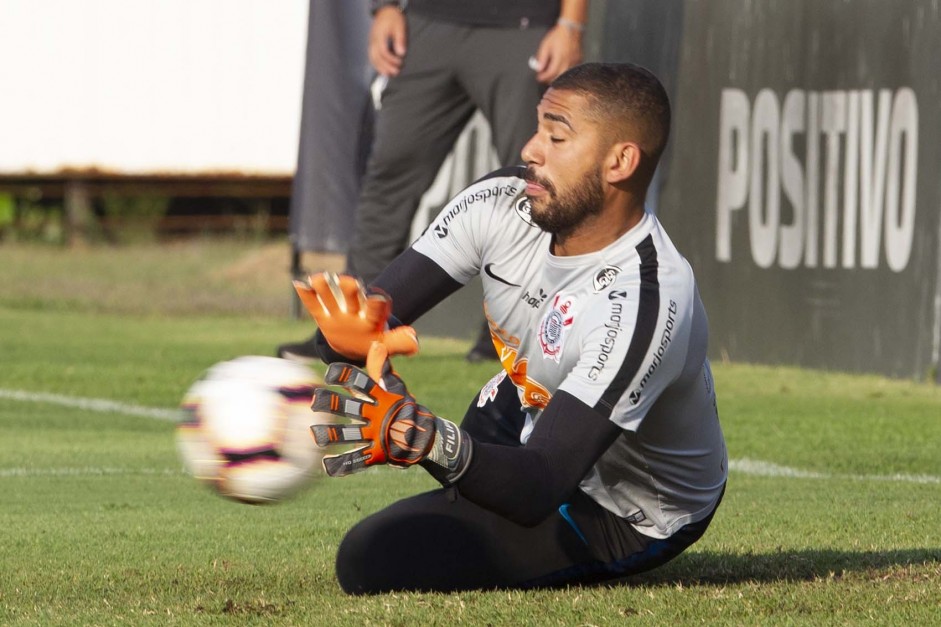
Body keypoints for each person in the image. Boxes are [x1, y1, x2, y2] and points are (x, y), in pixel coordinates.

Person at [294, 63, 728, 593]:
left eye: (556, 135)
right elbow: (371, 319)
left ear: (620, 162)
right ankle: (467, 504)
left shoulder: (645, 299)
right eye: (537, 127)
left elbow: (540, 483)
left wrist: (428, 439)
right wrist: (349, 335)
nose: (530, 149)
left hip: (624, 510)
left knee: (369, 560)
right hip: (534, 406)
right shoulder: (503, 199)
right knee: (477, 456)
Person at [278, 0, 588, 363]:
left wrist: (571, 24)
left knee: (534, 182)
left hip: (523, 25)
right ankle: (346, 332)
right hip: (427, 22)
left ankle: (511, 335)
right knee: (389, 174)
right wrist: (386, 8)